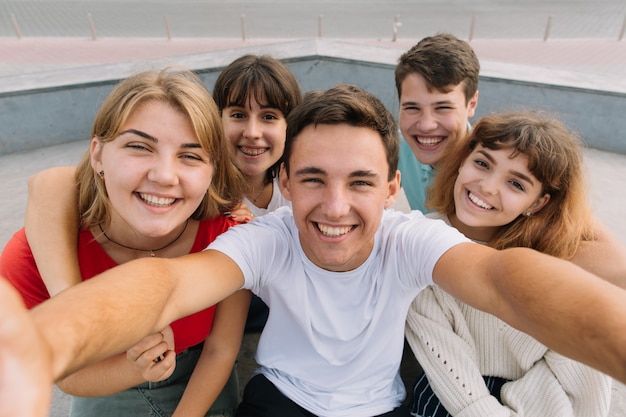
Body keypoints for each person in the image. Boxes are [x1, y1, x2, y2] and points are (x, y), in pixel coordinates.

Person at [4, 84, 626, 417]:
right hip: (279, 400)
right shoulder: (266, 240)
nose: (334, 207)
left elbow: (504, 279)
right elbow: (165, 285)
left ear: (390, 190)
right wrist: (45, 342)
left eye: (359, 182)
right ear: (282, 185)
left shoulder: (411, 239)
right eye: (312, 179)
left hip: (382, 409)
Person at [0, 67, 251, 417]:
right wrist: (131, 368)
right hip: (103, 382)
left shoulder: (230, 237)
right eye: (139, 147)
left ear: (212, 172)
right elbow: (68, 377)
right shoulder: (36, 254)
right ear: (98, 154)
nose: (164, 175)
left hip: (202, 385)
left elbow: (221, 350)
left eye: (191, 156)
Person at [24, 53, 302, 334]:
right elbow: (51, 183)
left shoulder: (297, 185)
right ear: (215, 124)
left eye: (269, 117)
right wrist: (69, 302)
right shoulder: (199, 193)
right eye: (238, 115)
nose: (253, 132)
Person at [405, 111, 626, 417]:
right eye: (482, 163)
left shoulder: (549, 257)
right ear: (462, 161)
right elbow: (454, 381)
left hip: (540, 403)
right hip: (452, 399)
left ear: (537, 203)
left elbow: (581, 380)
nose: (488, 186)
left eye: (516, 184)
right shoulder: (422, 243)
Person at [395, 33, 479, 213]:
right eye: (412, 108)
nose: (426, 125)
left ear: (471, 104)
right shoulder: (397, 148)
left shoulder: (491, 173)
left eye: (442, 108)